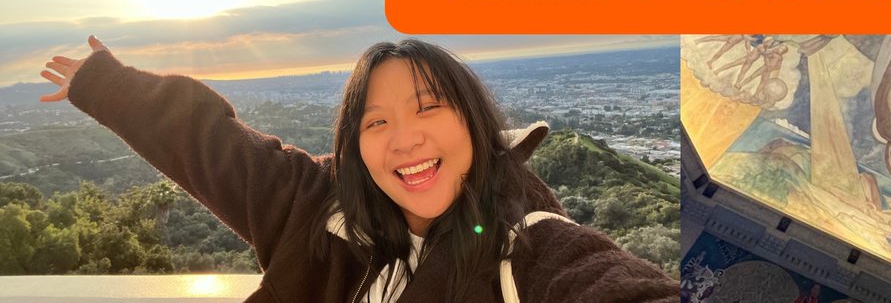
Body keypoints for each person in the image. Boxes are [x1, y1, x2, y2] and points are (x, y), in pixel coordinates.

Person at [38, 37, 676, 303]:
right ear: (353, 146)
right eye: (376, 122)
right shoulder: (317, 208)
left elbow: (607, 283)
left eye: (430, 108)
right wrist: (108, 87)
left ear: (478, 129)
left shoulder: (529, 246)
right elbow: (213, 147)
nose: (405, 139)